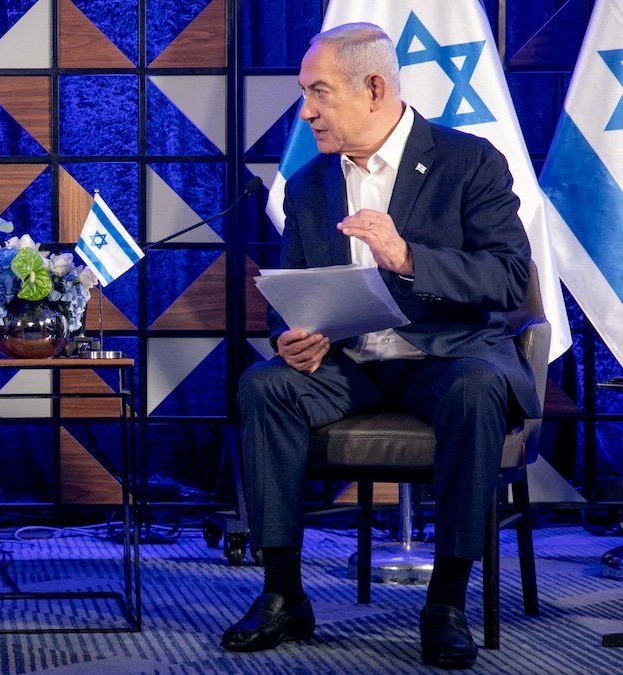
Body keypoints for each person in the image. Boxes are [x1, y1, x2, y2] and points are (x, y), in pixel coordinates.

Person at [222, 23, 538, 670]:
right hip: (351, 363)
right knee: (265, 384)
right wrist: (295, 336)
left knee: (478, 385)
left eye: (318, 92)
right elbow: (299, 291)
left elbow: (507, 279)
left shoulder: (468, 160)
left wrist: (407, 256)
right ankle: (283, 592)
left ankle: (445, 602)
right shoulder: (309, 183)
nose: (306, 110)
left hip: (449, 355)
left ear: (373, 88)